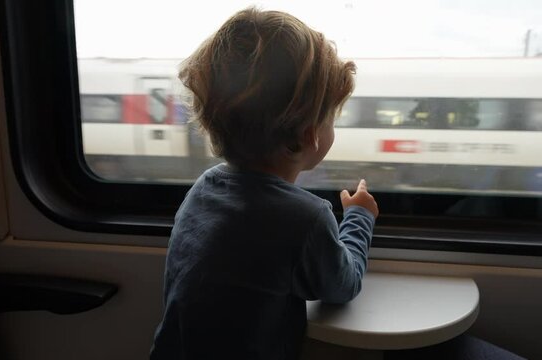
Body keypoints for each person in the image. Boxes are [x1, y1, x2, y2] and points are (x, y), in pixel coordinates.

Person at [149, 7, 377, 360]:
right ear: (308, 136)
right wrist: (360, 217)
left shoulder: (203, 189)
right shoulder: (305, 217)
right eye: (332, 118)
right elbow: (342, 286)